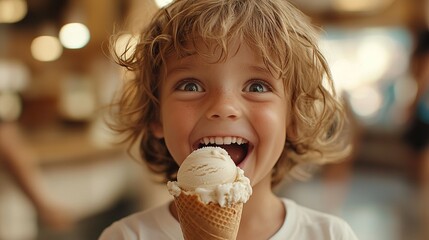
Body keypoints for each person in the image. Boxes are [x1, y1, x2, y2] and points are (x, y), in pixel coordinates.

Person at [100, 0, 358, 239]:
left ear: (293, 118)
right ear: (156, 115)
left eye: (257, 87)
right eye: (190, 86)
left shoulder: (331, 235)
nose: (223, 107)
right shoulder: (127, 236)